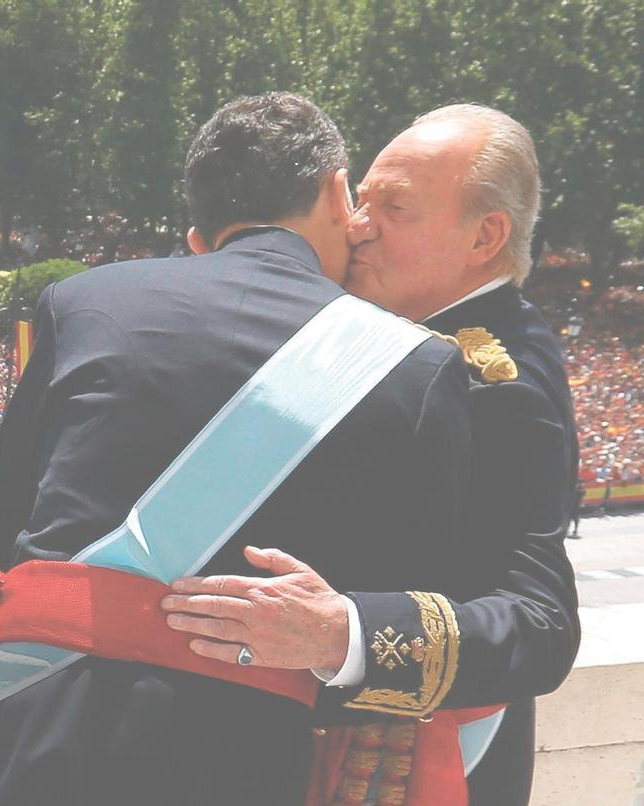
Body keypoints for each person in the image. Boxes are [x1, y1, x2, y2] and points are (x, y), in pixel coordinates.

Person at [0, 93, 476, 806]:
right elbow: (415, 605)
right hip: (240, 755)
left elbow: (0, 546)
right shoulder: (416, 366)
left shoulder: (81, 302)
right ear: (333, 189)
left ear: (200, 227)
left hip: (33, 723)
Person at [161, 104, 580, 806]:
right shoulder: (396, 333)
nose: (359, 223)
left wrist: (343, 634)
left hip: (419, 766)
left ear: (485, 235)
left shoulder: (497, 385)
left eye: (396, 208)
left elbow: (540, 628)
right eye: (361, 199)